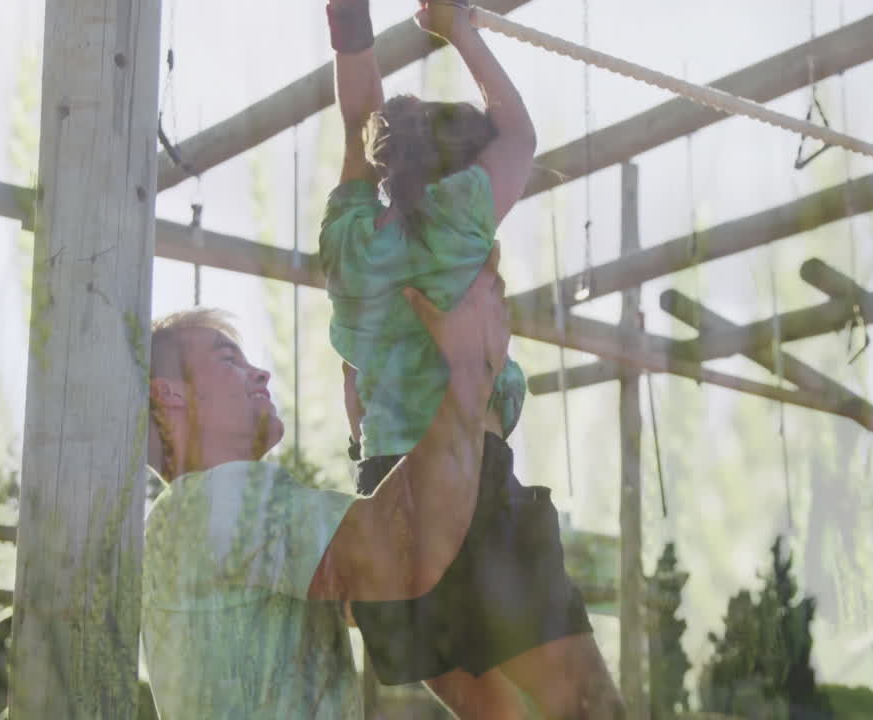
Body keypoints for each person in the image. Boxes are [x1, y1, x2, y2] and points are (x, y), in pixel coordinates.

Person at [319, 0, 622, 716]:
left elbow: (355, 118)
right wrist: (458, 30)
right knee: (591, 711)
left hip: (385, 503)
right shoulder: (459, 218)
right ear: (462, 171)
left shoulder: (351, 244)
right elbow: (519, 132)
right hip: (463, 479)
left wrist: (348, 20)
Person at [140, 253, 511, 719]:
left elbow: (392, 606)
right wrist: (468, 369)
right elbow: (394, 557)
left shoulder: (191, 517)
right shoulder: (219, 499)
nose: (261, 373)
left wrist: (378, 448)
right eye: (229, 359)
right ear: (167, 393)